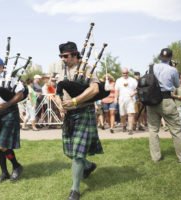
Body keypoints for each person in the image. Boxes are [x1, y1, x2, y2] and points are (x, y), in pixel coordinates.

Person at [55, 41, 103, 200]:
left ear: (75, 55)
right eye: (61, 56)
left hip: (84, 111)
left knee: (77, 153)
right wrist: (60, 105)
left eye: (66, 56)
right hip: (69, 115)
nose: (63, 58)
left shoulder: (87, 68)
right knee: (69, 151)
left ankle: (75, 190)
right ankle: (88, 166)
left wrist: (75, 101)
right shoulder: (62, 70)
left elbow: (94, 89)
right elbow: (57, 91)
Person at [0, 57, 24, 184]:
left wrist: (7, 104)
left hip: (10, 113)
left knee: (3, 145)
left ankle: (16, 166)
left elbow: (20, 94)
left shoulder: (10, 78)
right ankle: (4, 173)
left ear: (1, 67)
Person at [147, 48, 181, 163]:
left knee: (153, 130)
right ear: (170, 58)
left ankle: (156, 158)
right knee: (176, 130)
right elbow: (176, 85)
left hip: (152, 101)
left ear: (160, 57)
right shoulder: (173, 70)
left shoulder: (152, 67)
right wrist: (174, 68)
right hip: (166, 100)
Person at [114, 68, 138, 135]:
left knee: (131, 114)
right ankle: (124, 125)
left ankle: (130, 129)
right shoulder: (118, 80)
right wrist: (116, 98)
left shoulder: (133, 80)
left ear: (128, 73)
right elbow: (116, 90)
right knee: (122, 115)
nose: (125, 74)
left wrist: (134, 93)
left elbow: (138, 89)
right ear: (121, 73)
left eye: (126, 73)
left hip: (131, 99)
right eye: (123, 73)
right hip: (121, 99)